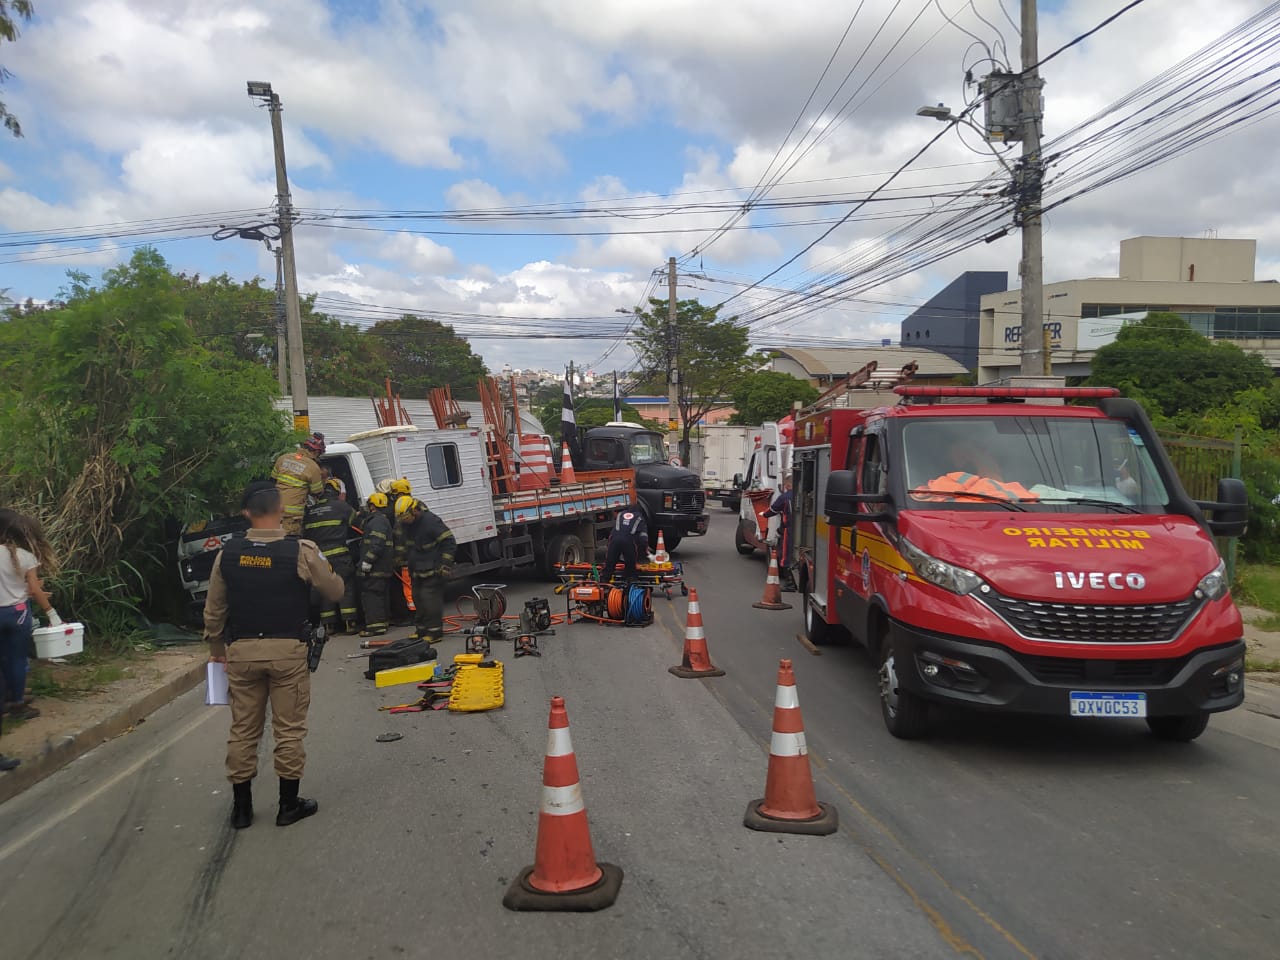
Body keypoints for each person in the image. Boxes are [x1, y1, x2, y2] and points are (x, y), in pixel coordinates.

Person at [203, 482, 343, 829]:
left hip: (242, 655)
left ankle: (241, 809)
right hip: (287, 654)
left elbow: (214, 610)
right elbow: (335, 590)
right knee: (289, 731)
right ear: (281, 511)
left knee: (243, 730)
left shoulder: (228, 553)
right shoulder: (301, 550)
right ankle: (288, 805)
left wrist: (217, 651)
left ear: (246, 513)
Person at [0, 509, 60, 770]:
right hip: (18, 615)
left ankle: (5, 701)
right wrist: (52, 613)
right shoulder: (25, 557)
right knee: (16, 661)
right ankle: (16, 702)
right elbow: (33, 589)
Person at [395, 497, 456, 644]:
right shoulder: (406, 525)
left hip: (433, 570)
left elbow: (449, 542)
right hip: (416, 570)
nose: (405, 521)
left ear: (415, 511)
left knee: (430, 601)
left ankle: (435, 633)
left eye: (406, 517)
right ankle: (421, 630)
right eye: (402, 519)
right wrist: (400, 558)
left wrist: (445, 564)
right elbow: (405, 544)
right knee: (418, 599)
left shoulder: (431, 521)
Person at [303, 478, 359, 634]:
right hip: (340, 555)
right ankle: (350, 623)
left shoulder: (310, 511)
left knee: (326, 589)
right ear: (335, 491)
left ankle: (329, 625)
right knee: (345, 586)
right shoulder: (341, 506)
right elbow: (356, 521)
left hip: (320, 557)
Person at [272, 433, 326, 536]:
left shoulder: (283, 458)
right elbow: (317, 492)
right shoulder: (313, 467)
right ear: (316, 451)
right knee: (287, 544)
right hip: (291, 517)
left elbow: (273, 479)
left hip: (273, 510)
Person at [357, 492, 395, 637]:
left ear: (372, 505)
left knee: (371, 595)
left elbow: (377, 544)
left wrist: (368, 560)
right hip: (382, 567)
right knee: (380, 594)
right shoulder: (379, 520)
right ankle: (382, 623)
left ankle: (375, 627)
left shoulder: (377, 521)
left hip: (376, 567)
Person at [762, 476, 796, 592]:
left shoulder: (785, 497)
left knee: (786, 555)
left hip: (789, 530)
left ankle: (790, 583)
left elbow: (773, 510)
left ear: (787, 485)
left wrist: (763, 514)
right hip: (801, 530)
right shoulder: (802, 495)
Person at [604, 504, 649, 583]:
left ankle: (604, 583)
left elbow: (613, 532)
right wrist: (644, 552)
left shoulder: (620, 514)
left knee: (610, 563)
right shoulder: (640, 517)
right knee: (630, 565)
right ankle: (630, 582)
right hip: (629, 541)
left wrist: (609, 546)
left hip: (614, 539)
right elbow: (643, 539)